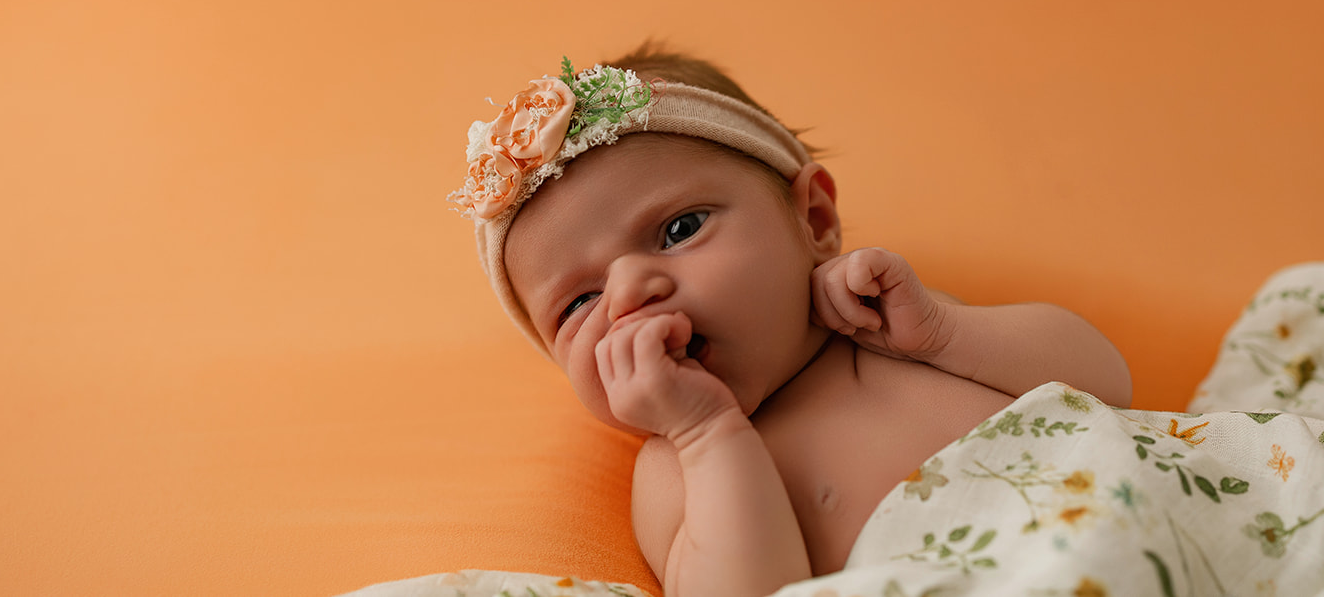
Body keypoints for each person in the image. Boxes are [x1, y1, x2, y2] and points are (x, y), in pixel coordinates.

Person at [450, 45, 1132, 597]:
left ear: (814, 220)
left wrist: (946, 333)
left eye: (678, 228)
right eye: (578, 303)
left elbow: (1107, 383)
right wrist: (706, 430)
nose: (630, 293)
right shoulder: (677, 467)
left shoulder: (899, 329)